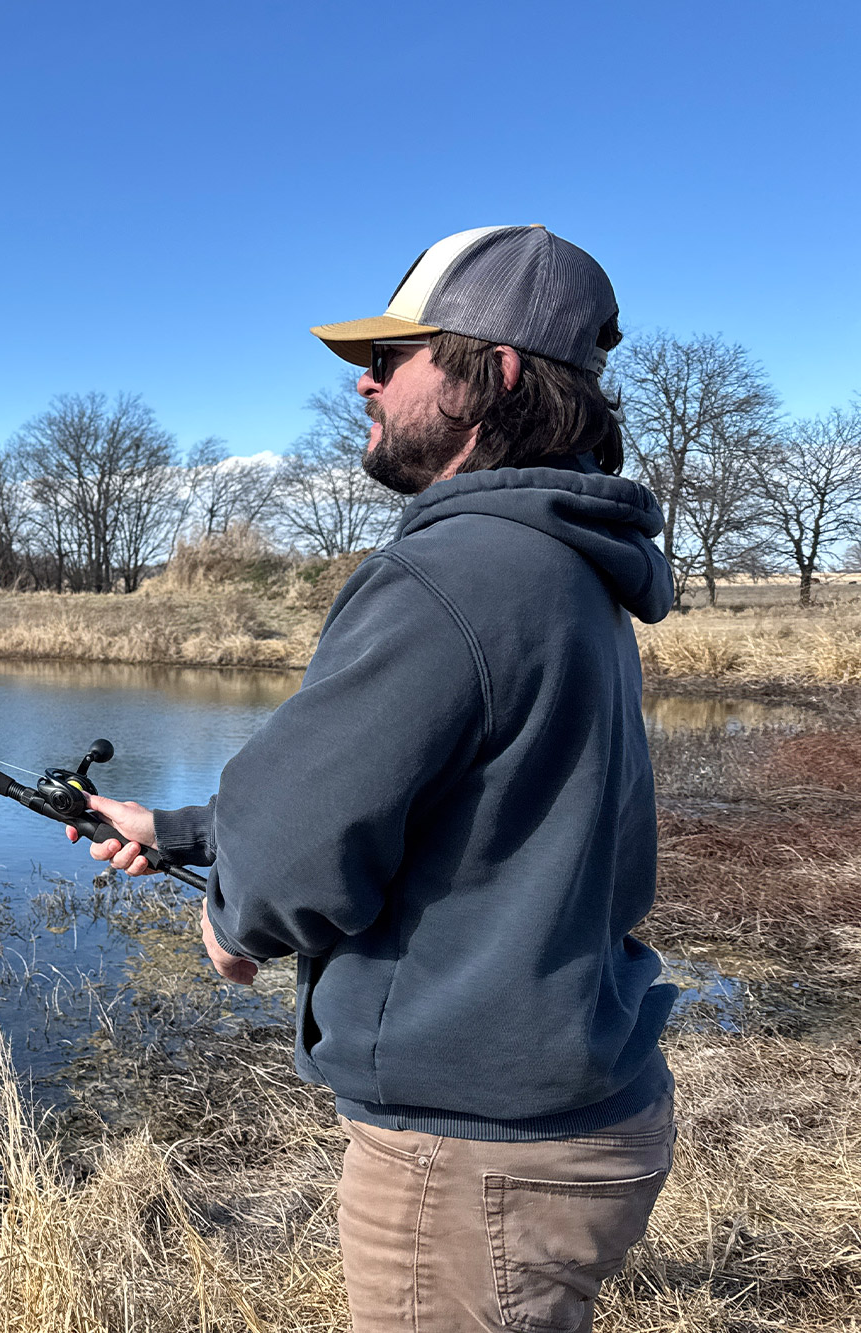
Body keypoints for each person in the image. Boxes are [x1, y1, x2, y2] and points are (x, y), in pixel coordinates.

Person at [72, 225, 678, 1333]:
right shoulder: (563, 565)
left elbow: (297, 849)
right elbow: (457, 790)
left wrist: (237, 916)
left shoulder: (451, 569)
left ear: (487, 375)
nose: (362, 379)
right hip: (567, 1110)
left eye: (392, 358)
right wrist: (181, 830)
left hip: (473, 1159)